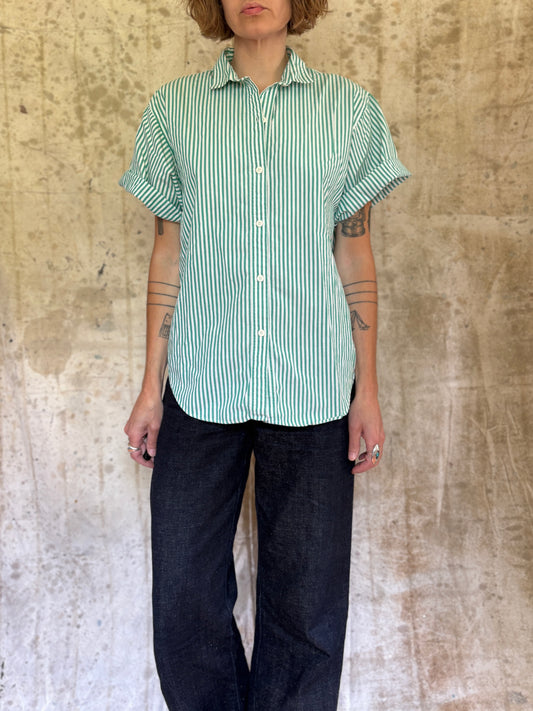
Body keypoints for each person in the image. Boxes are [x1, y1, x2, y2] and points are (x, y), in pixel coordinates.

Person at [119, 1, 410, 709]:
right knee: (183, 593)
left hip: (314, 384)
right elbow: (168, 252)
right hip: (200, 383)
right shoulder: (173, 110)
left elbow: (354, 251)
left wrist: (366, 391)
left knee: (306, 604)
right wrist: (151, 388)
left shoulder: (348, 110)